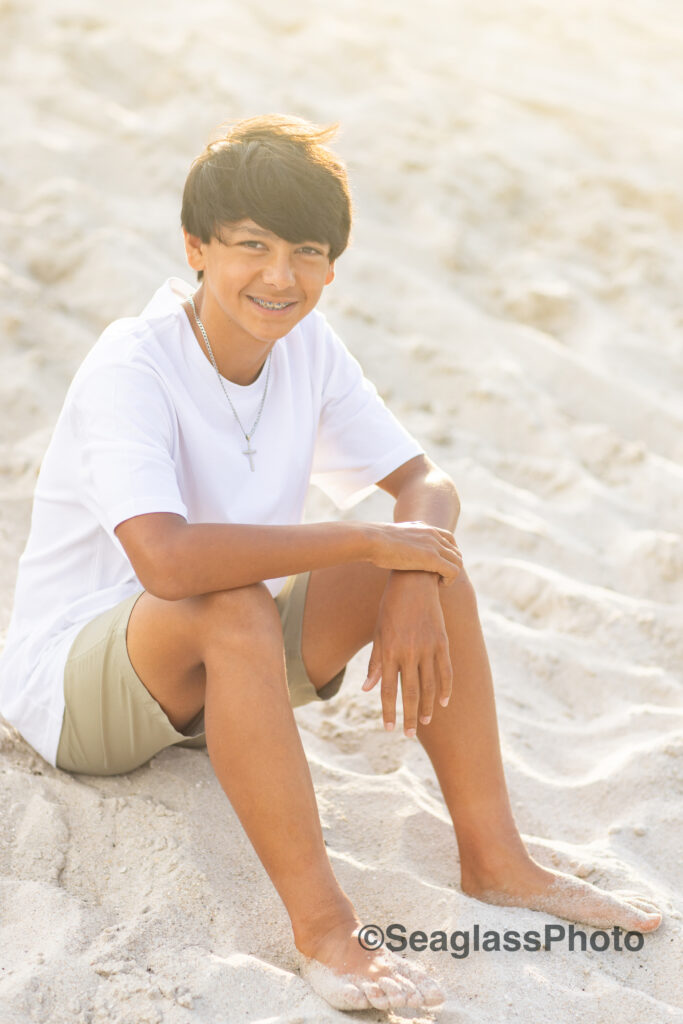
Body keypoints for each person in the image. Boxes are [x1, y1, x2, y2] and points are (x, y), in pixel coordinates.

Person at [0, 115, 662, 1013]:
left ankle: (495, 858)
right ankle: (324, 931)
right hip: (79, 688)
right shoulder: (134, 362)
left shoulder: (304, 345)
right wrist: (362, 540)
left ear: (331, 266)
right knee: (234, 601)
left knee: (434, 562)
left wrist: (415, 580)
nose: (280, 276)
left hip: (215, 680)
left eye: (305, 252)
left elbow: (424, 480)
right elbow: (164, 559)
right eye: (250, 246)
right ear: (196, 248)